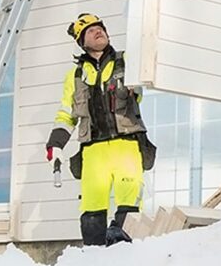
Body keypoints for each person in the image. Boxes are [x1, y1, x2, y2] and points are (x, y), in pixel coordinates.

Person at [45, 13, 156, 246]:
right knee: (91, 213)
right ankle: (94, 262)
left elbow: (144, 80)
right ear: (81, 42)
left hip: (126, 145)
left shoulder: (127, 61)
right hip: (93, 152)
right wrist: (55, 144)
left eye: (100, 28)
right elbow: (67, 114)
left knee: (131, 207)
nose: (98, 32)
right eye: (90, 30)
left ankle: (129, 259)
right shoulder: (74, 76)